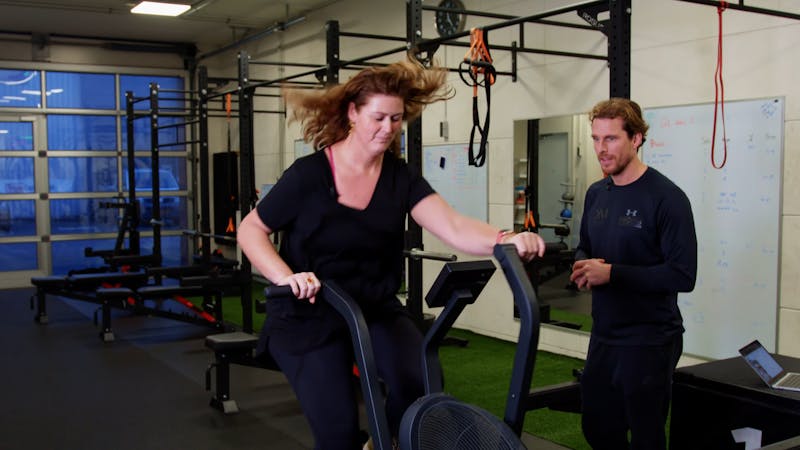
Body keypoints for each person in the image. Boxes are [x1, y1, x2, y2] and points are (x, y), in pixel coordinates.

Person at [237, 55, 546, 450]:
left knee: (419, 381)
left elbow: (452, 226)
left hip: (372, 306)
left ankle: (393, 443)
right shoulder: (308, 175)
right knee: (338, 432)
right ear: (352, 113)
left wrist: (506, 238)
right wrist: (286, 277)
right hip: (308, 312)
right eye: (378, 118)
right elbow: (251, 229)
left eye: (396, 119)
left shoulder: (400, 178)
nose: (388, 129)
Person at [569, 98, 698, 450]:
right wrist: (582, 265)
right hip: (605, 334)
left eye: (610, 139)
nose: (600, 149)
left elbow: (683, 275)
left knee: (646, 437)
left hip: (650, 338)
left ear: (636, 138)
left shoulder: (667, 198)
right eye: (596, 139)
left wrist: (612, 274)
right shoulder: (597, 193)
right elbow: (584, 246)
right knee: (598, 429)